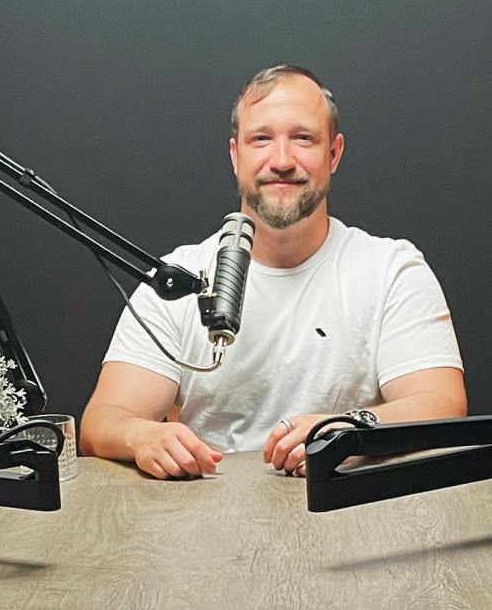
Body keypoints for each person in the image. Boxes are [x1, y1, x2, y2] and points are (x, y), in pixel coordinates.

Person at [80, 65, 467, 478]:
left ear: (333, 153)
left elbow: (441, 404)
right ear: (235, 155)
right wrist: (142, 436)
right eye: (261, 139)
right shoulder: (180, 278)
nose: (282, 160)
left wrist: (349, 431)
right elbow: (102, 421)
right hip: (209, 521)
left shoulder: (392, 270)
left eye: (303, 138)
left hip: (350, 510)